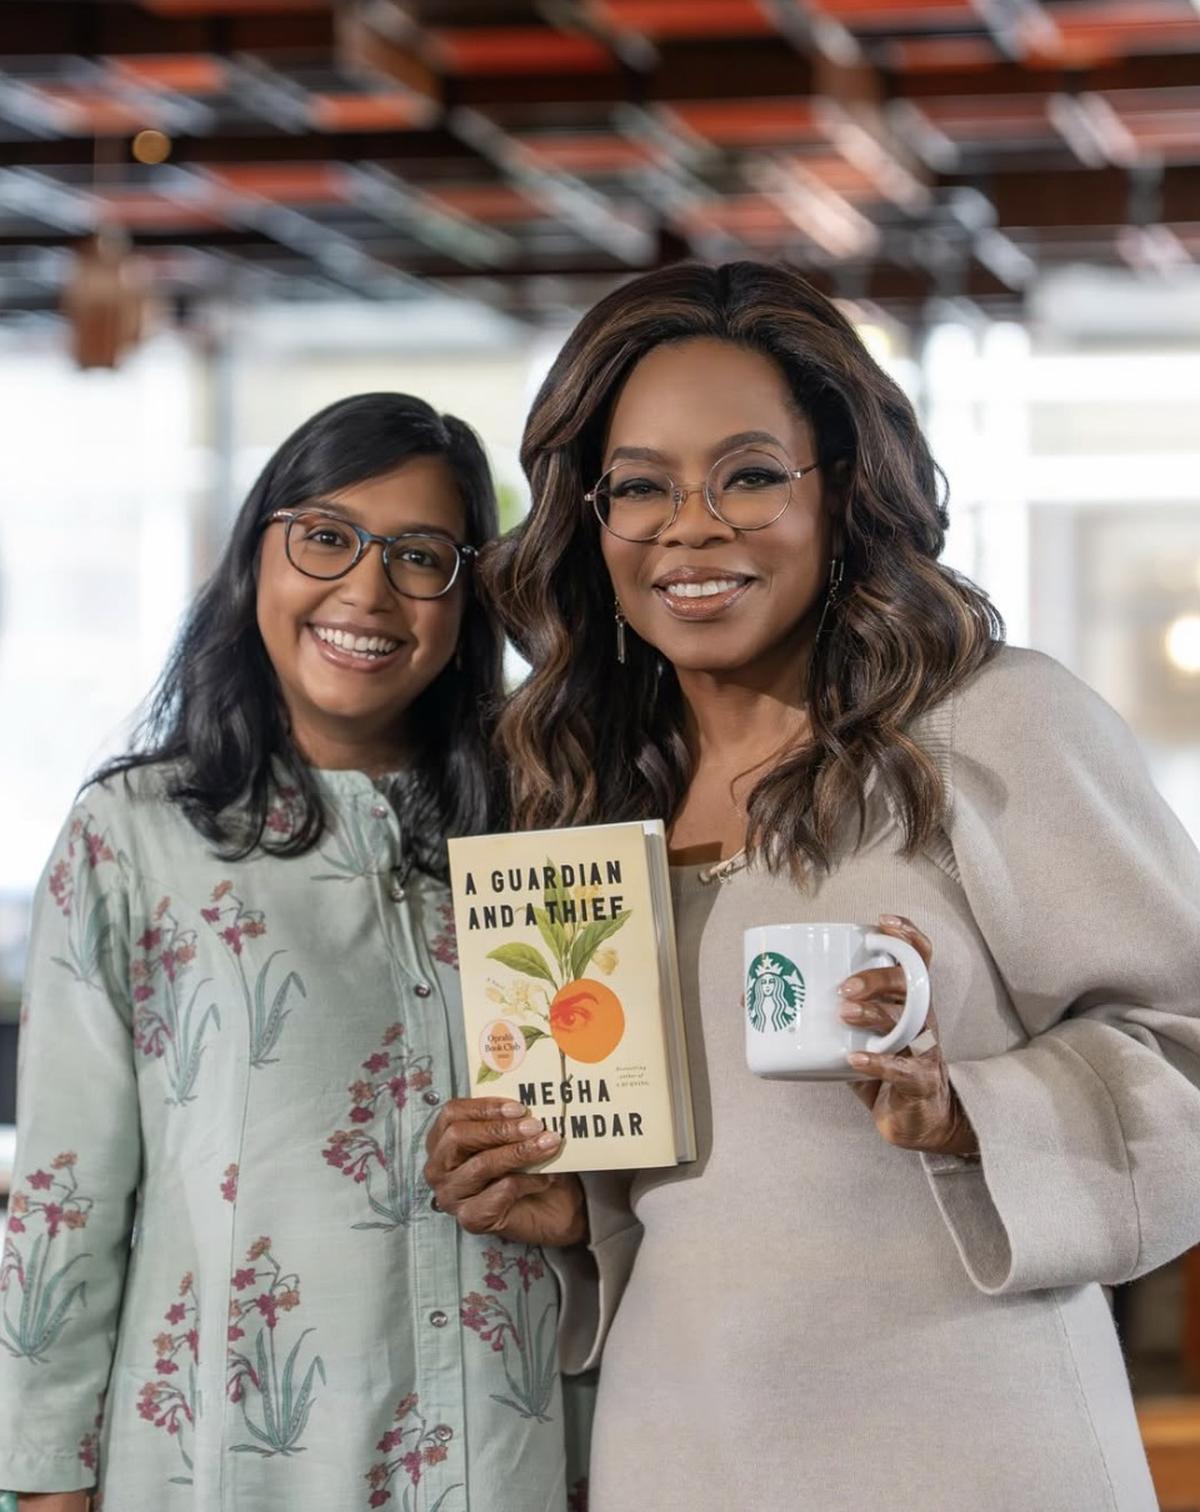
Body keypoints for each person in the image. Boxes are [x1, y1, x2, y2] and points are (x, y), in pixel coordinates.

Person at [424, 262, 1200, 1511]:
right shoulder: (582, 793)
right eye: (640, 486)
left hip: (971, 1447)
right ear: (591, 517)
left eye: (747, 474)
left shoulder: (994, 725)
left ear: (841, 491)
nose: (693, 525)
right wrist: (565, 1207)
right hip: (677, 1446)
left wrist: (969, 1111)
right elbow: (692, 1203)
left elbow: (1187, 1043)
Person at [0, 393, 578, 1511]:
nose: (366, 591)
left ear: (468, 597)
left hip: (512, 1450)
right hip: (233, 1465)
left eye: (421, 556)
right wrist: (45, 1483)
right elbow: (66, 1197)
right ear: (256, 554)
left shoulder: (546, 830)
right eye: (325, 536)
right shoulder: (136, 837)